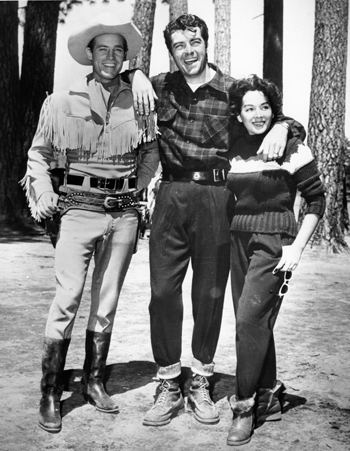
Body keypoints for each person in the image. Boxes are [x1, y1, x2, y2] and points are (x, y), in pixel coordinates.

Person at [127, 14, 306, 427]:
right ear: (170, 51)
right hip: (171, 195)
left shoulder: (231, 91)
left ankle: (201, 378)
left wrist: (281, 123)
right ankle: (169, 378)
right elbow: (117, 79)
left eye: (195, 43)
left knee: (208, 294)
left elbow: (274, 115)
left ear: (206, 44)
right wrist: (135, 72)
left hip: (217, 198)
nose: (188, 51)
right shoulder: (158, 86)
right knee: (162, 293)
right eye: (179, 46)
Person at [21, 14, 159, 433]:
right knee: (68, 297)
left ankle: (95, 381)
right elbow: (38, 156)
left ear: (125, 58)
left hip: (122, 215)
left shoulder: (138, 101)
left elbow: (150, 153)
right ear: (90, 54)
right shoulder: (61, 102)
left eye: (119, 51)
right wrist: (43, 193)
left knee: (107, 299)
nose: (111, 57)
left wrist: (140, 190)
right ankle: (50, 391)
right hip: (77, 209)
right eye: (103, 49)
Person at [226, 75, 325, 446]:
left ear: (274, 109)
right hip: (238, 240)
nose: (257, 114)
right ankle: (268, 394)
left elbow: (317, 200)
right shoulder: (234, 146)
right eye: (249, 108)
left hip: (275, 243)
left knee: (247, 320)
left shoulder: (292, 145)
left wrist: (297, 247)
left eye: (265, 107)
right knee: (255, 322)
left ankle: (244, 407)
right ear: (238, 113)